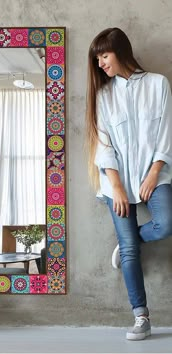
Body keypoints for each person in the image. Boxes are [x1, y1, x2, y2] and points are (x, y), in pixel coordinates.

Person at [86, 27, 172, 340]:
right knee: (132, 255)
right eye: (97, 58)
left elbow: (167, 133)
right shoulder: (103, 95)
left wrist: (153, 173)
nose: (100, 64)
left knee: (165, 223)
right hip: (115, 181)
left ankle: (128, 243)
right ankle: (141, 317)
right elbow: (103, 145)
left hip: (155, 174)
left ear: (121, 51)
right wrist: (118, 187)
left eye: (104, 55)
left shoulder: (158, 84)